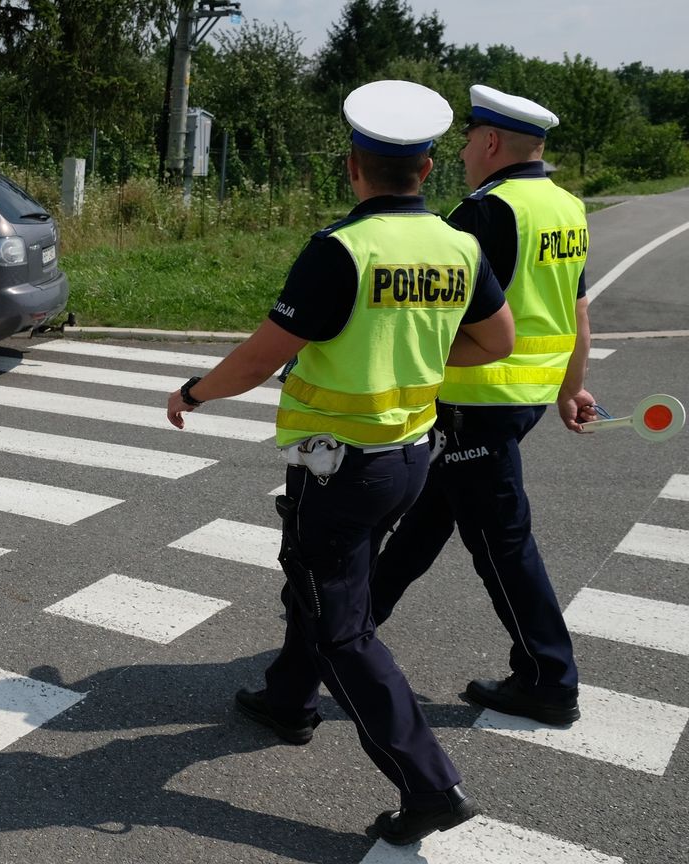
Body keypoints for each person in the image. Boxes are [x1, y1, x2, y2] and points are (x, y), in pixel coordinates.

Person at [166, 80, 514, 845]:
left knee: (343, 627)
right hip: (412, 454)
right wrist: (416, 343)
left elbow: (262, 358)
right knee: (325, 584)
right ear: (427, 170)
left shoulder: (342, 251)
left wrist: (195, 390)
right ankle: (287, 699)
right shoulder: (461, 246)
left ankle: (431, 785)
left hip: (342, 467)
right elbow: (498, 342)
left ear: (353, 169)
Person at [370, 85, 596, 727]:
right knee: (428, 516)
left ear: (491, 143)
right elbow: (577, 311)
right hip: (520, 400)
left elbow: (437, 313)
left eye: (469, 139)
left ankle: (549, 679)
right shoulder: (566, 208)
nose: (465, 151)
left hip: (476, 401)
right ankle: (344, 631)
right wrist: (569, 387)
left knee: (501, 541)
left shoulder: (487, 211)